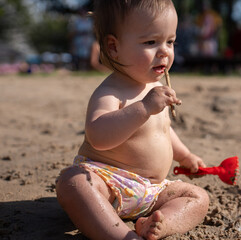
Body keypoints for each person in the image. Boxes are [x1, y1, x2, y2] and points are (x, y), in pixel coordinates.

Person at [55, 1, 209, 240]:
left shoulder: (156, 88)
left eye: (170, 41)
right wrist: (144, 108)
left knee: (198, 197)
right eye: (150, 42)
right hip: (109, 184)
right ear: (113, 47)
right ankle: (119, 235)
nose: (165, 51)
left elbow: (163, 130)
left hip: (152, 191)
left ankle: (160, 225)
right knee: (72, 183)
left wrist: (185, 155)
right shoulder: (111, 92)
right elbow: (98, 137)